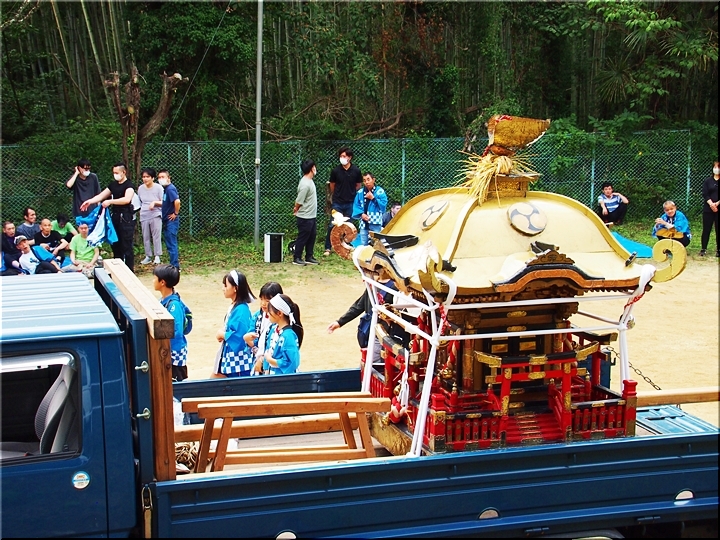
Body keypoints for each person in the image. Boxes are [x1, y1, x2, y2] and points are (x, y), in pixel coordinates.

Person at [80, 162, 136, 272]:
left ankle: (130, 270)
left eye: (117, 172)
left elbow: (127, 199)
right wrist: (89, 201)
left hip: (126, 218)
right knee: (115, 243)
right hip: (115, 217)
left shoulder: (129, 185)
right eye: (114, 172)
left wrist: (110, 201)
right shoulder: (113, 185)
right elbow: (101, 196)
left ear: (124, 172)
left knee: (126, 245)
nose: (115, 175)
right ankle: (118, 269)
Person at [214, 269, 255, 378]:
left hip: (239, 364)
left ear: (235, 288)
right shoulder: (237, 307)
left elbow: (239, 336)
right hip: (232, 360)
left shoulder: (241, 310)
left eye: (226, 285)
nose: (223, 288)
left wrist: (222, 334)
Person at [323, 147, 362, 256]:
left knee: (349, 226)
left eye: (344, 156)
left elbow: (358, 185)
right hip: (338, 203)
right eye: (341, 156)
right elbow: (332, 185)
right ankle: (328, 248)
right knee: (333, 224)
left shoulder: (356, 170)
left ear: (350, 157)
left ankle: (346, 247)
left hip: (351, 202)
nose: (342, 158)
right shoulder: (336, 171)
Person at [154, 264, 190, 382]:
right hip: (166, 352)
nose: (153, 281)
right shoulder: (163, 301)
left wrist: (166, 350)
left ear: (162, 282)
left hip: (174, 355)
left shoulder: (174, 305)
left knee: (176, 385)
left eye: (155, 278)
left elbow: (177, 332)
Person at [255, 293, 303, 375]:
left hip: (284, 378)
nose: (267, 314)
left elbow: (292, 362)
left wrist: (270, 360)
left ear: (279, 313)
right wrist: (266, 368)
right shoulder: (274, 329)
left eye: (270, 312)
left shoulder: (288, 335)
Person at [243, 281, 284, 375]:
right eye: (261, 299)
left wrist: (262, 359)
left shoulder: (280, 320)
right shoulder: (257, 316)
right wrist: (247, 339)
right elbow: (254, 343)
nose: (263, 304)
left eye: (267, 301)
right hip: (258, 360)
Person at [293, 159, 319, 266]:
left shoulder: (310, 181)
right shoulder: (305, 184)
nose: (315, 168)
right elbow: (299, 201)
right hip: (305, 216)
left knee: (312, 236)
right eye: (314, 167)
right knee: (303, 237)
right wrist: (296, 208)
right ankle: (297, 257)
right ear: (312, 168)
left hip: (311, 215)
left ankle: (309, 256)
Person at [352, 172, 388, 246]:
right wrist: (361, 214)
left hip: (375, 220)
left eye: (368, 179)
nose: (366, 182)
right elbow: (356, 205)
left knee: (377, 242)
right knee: (363, 242)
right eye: (364, 180)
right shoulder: (360, 192)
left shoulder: (380, 191)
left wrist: (373, 198)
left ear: (373, 180)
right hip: (363, 221)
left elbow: (383, 204)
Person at [137, 168, 164, 265]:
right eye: (144, 177)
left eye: (147, 177)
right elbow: (139, 201)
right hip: (144, 214)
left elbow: (163, 202)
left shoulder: (159, 188)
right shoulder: (140, 188)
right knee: (146, 236)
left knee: (156, 235)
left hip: (156, 214)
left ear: (152, 178)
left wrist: (155, 203)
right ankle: (148, 256)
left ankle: (157, 256)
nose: (145, 179)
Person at [158, 169, 181, 269]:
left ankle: (175, 266)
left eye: (163, 177)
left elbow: (177, 201)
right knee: (169, 243)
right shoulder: (166, 189)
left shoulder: (170, 189)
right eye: (159, 177)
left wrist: (175, 213)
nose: (161, 179)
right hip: (167, 220)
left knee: (172, 244)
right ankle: (173, 264)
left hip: (171, 221)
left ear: (168, 178)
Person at [699, 160, 719, 257]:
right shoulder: (707, 181)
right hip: (708, 209)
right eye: (715, 167)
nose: (716, 169)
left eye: (718, 167)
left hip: (718, 208)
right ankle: (703, 249)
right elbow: (705, 193)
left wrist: (717, 204)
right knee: (706, 229)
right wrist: (711, 204)